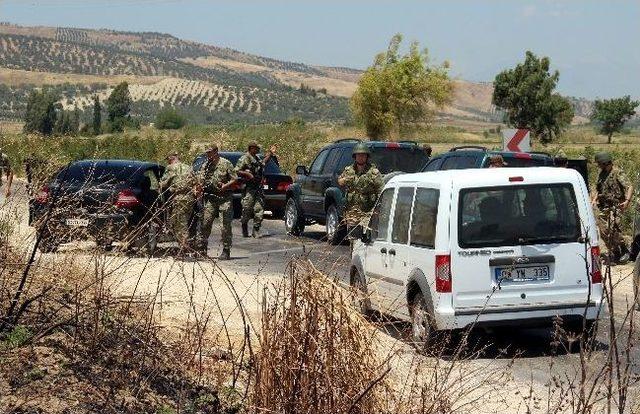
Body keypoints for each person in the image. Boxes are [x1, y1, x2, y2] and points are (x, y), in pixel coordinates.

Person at [195, 144, 239, 260]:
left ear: (216, 152)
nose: (208, 155)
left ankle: (226, 250)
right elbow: (200, 179)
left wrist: (225, 186)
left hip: (224, 198)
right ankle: (202, 249)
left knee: (225, 225)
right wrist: (198, 188)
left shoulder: (225, 163)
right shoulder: (206, 165)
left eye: (209, 152)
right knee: (205, 222)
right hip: (210, 198)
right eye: (207, 153)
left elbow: (235, 179)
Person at [592, 152, 633, 265]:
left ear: (605, 163)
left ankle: (623, 249)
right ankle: (614, 251)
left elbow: (629, 186)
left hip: (616, 206)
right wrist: (594, 200)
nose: (598, 165)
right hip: (603, 206)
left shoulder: (617, 172)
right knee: (603, 230)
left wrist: (627, 201)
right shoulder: (602, 174)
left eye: (599, 163)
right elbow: (599, 189)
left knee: (614, 228)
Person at [338, 143, 384, 238]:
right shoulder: (348, 170)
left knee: (367, 237)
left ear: (367, 157)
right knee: (353, 237)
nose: (361, 157)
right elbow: (340, 181)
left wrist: (378, 209)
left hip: (368, 211)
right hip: (352, 211)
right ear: (355, 157)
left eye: (363, 155)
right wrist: (346, 179)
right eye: (358, 155)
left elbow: (381, 190)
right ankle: (353, 253)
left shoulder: (373, 172)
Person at [235, 141, 277, 238]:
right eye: (256, 148)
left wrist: (270, 153)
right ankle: (244, 225)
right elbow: (236, 170)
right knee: (247, 208)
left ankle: (256, 229)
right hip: (249, 188)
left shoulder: (257, 158)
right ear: (251, 148)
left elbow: (263, 163)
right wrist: (247, 174)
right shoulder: (245, 158)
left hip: (258, 188)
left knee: (259, 209)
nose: (258, 150)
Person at [159, 152, 196, 254]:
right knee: (185, 222)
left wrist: (158, 185)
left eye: (168, 159)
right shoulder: (189, 167)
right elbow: (195, 182)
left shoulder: (170, 168)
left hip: (179, 198)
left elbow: (164, 184)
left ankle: (184, 248)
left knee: (179, 224)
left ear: (172, 158)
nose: (168, 161)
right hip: (190, 198)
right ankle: (185, 246)